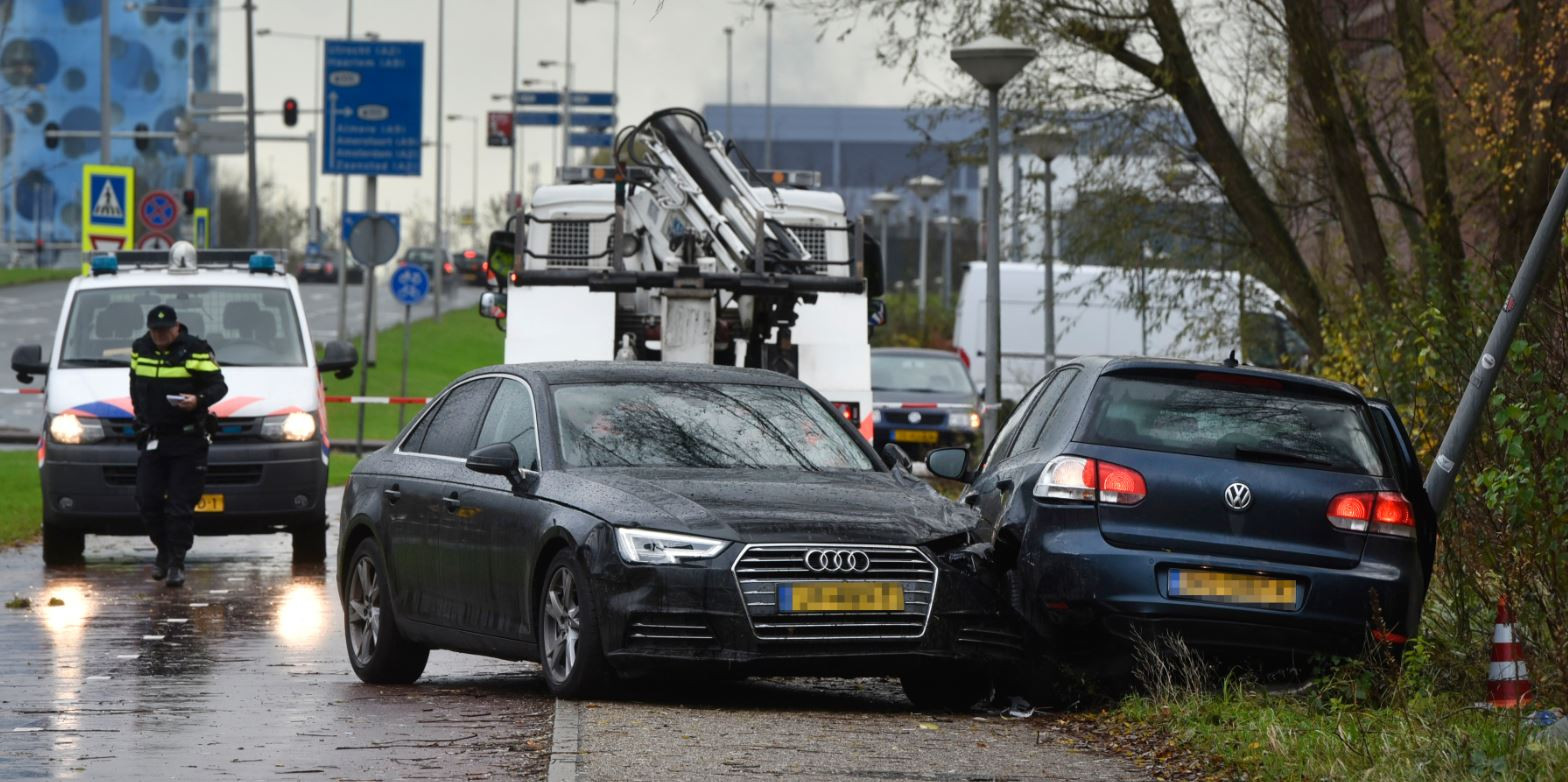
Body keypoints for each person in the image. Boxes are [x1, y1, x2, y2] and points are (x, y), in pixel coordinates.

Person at [130, 302, 227, 588]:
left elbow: (219, 386)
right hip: (154, 438)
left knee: (180, 506)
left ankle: (176, 562)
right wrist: (141, 416)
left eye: (164, 330)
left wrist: (198, 401)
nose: (159, 336)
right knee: (146, 500)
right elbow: (135, 385)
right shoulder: (140, 348)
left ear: (176, 327)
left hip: (187, 439)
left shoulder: (195, 350)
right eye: (155, 331)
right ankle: (163, 549)